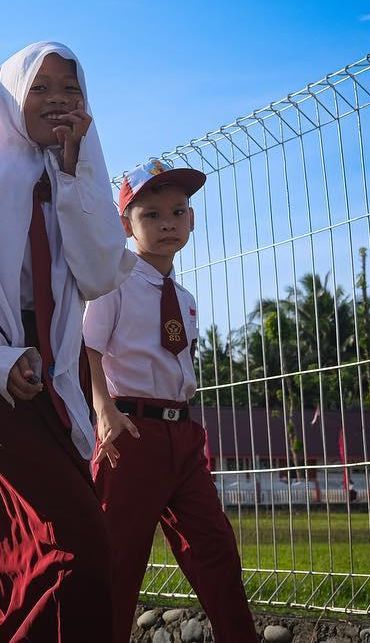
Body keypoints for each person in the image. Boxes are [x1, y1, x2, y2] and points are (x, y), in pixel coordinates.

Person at [0, 43, 136, 642]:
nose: (57, 101)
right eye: (40, 89)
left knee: (58, 548)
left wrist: (72, 175)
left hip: (55, 379)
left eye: (70, 89)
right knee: (49, 545)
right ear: (12, 97)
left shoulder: (80, 177)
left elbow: (97, 274)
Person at [84, 160, 256, 642]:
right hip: (131, 433)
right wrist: (103, 410)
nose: (167, 224)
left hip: (181, 435)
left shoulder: (183, 297)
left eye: (178, 212)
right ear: (125, 225)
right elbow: (89, 349)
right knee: (119, 559)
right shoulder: (111, 284)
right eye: (152, 214)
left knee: (215, 548)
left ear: (192, 220)